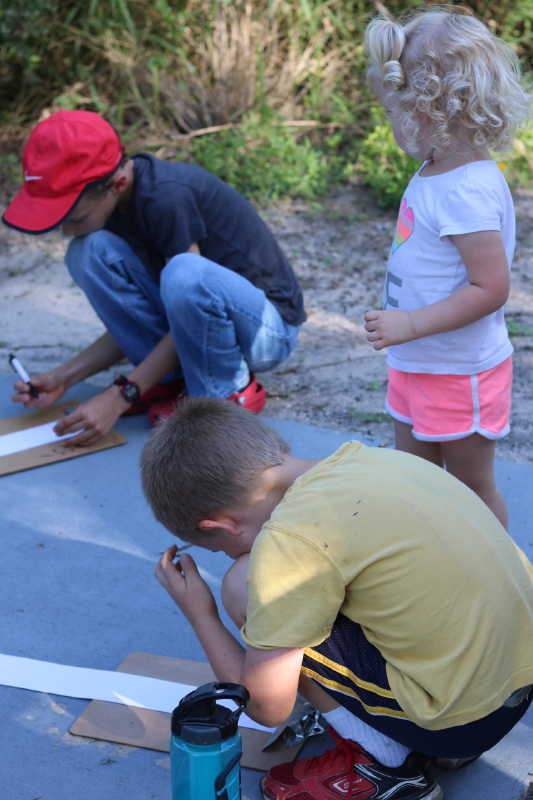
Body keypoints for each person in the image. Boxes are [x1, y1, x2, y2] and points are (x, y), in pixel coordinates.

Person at [141, 396, 533, 800]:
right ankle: (425, 732)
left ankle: (385, 764)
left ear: (222, 526)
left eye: (220, 548)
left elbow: (266, 707)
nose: (230, 555)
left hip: (464, 722)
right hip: (517, 683)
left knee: (243, 584)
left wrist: (201, 615)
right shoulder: (378, 460)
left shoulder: (290, 542)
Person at [2, 110, 305, 446]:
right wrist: (63, 377)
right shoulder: (112, 204)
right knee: (86, 251)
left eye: (75, 217)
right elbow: (161, 316)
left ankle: (225, 392)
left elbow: (190, 290)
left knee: (183, 271)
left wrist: (122, 395)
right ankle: (169, 379)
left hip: (267, 331)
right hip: (202, 323)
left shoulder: (164, 198)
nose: (66, 230)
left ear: (117, 184)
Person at [362, 6, 532, 530]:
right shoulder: (436, 170)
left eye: (394, 112)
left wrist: (410, 323)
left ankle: (495, 572)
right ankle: (431, 563)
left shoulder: (467, 190)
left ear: (433, 111)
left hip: (459, 373)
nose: (392, 126)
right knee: (415, 483)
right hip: (416, 362)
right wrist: (408, 333)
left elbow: (491, 288)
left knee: (470, 491)